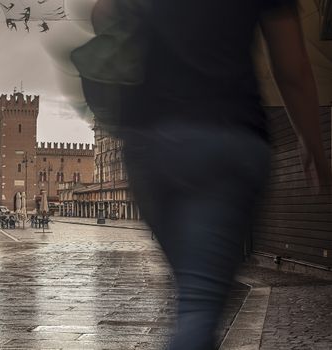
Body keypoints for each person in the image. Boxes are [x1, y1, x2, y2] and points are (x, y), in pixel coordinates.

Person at [72, 1, 331, 349]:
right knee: (198, 301)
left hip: (150, 145)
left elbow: (102, 13)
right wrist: (312, 143)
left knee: (191, 290)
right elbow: (293, 68)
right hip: (225, 137)